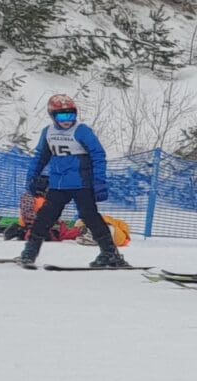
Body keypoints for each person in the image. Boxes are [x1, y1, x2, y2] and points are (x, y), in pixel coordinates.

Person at [19, 95, 129, 268]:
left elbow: (98, 155)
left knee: (90, 217)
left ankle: (110, 254)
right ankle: (29, 252)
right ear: (52, 115)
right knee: (45, 217)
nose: (67, 121)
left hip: (81, 184)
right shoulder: (48, 132)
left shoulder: (82, 130)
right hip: (58, 185)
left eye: (71, 115)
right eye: (62, 116)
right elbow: (41, 156)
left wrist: (99, 181)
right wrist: (32, 177)